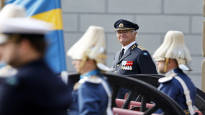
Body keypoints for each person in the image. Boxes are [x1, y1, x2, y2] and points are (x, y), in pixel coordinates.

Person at [0, 17, 71, 115]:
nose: (1, 50)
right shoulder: (54, 80)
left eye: (4, 45)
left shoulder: (20, 85)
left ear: (24, 45)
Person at [67, 25, 112, 115]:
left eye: (78, 59)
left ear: (90, 61)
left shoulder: (88, 85)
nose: (74, 63)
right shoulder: (99, 81)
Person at [153, 31, 197, 115]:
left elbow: (159, 109)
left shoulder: (171, 83)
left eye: (159, 60)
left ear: (169, 61)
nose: (157, 63)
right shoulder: (186, 80)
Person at [112, 19, 157, 98]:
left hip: (133, 104)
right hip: (118, 101)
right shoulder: (118, 54)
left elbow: (152, 81)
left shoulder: (141, 53)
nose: (122, 34)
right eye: (119, 32)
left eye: (125, 32)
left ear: (135, 34)